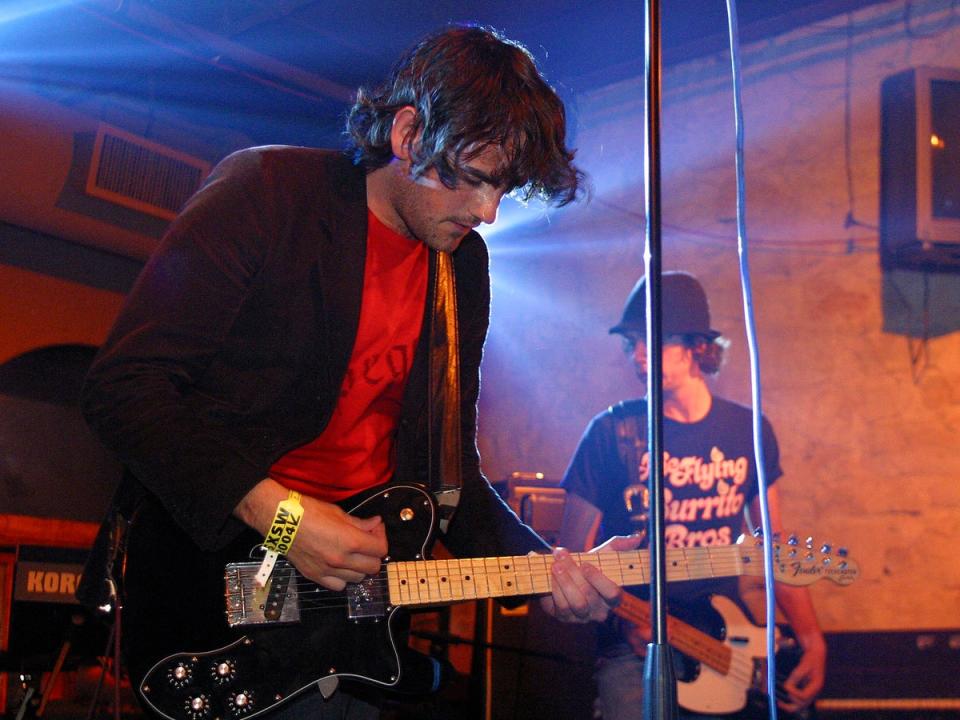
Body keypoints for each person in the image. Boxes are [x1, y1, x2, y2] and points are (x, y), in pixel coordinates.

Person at [77, 25, 632, 720]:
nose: (489, 213)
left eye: (505, 191)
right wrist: (285, 523)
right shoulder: (268, 193)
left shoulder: (461, 268)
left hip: (356, 619)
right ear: (408, 134)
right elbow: (124, 387)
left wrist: (544, 565)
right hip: (222, 591)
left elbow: (447, 465)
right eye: (479, 179)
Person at [558, 271, 827, 720]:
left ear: (697, 347)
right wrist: (620, 615)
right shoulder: (610, 433)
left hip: (725, 637)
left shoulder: (747, 430)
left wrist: (812, 637)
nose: (639, 355)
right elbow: (567, 560)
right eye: (631, 343)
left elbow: (772, 546)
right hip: (635, 647)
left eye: (653, 341)